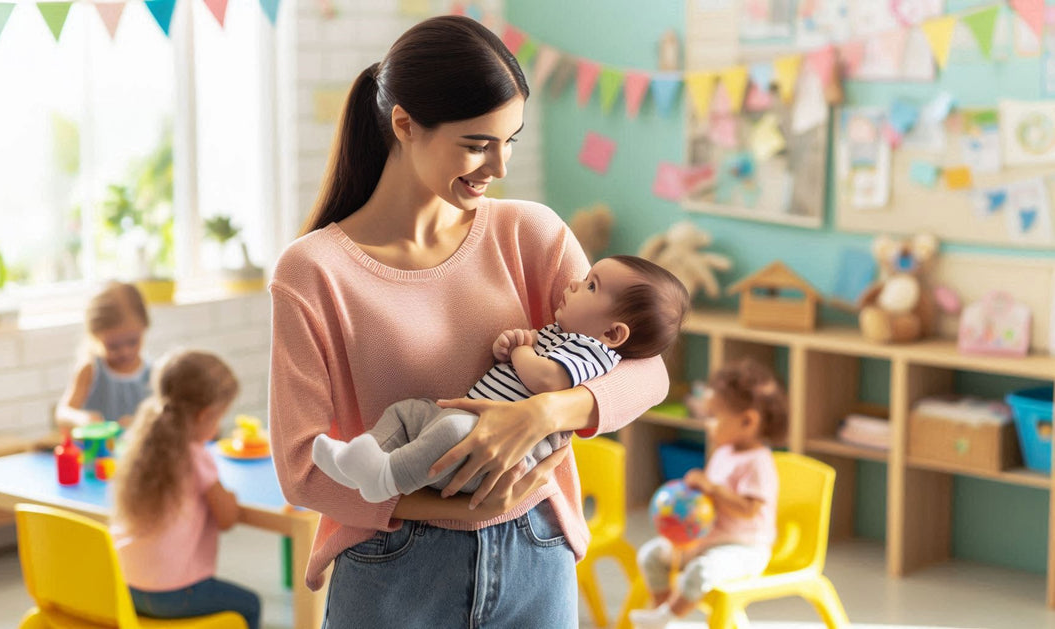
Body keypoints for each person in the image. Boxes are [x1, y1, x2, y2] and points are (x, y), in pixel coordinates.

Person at [268, 14, 670, 627]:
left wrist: (543, 413)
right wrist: (457, 507)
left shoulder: (529, 233)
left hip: (535, 551)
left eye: (511, 140)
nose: (499, 166)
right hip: (393, 564)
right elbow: (302, 469)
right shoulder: (313, 272)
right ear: (405, 124)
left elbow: (647, 371)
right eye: (478, 144)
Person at [312, 255, 689, 503]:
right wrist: (514, 345)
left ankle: (385, 478)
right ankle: (358, 459)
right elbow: (526, 362)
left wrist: (522, 351)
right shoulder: (563, 334)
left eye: (591, 285)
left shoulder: (593, 351)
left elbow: (546, 379)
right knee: (408, 412)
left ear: (613, 333)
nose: (574, 283)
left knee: (449, 431)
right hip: (468, 422)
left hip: (502, 456)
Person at [629, 358, 789, 629]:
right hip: (707, 540)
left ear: (748, 421)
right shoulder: (723, 452)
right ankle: (661, 609)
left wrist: (712, 489)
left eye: (714, 416)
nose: (708, 424)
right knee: (650, 555)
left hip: (745, 548)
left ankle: (667, 617)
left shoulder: (758, 462)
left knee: (701, 570)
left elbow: (749, 510)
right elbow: (709, 501)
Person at [110, 350, 261, 629]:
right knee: (251, 604)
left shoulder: (142, 444)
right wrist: (230, 498)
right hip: (174, 595)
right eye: (218, 418)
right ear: (204, 415)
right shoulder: (195, 456)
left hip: (125, 586)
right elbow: (227, 519)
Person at [55, 281, 151, 431]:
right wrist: (82, 418)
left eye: (133, 342)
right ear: (95, 337)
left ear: (144, 328)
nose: (125, 352)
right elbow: (62, 413)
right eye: (113, 346)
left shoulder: (151, 373)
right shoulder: (91, 370)